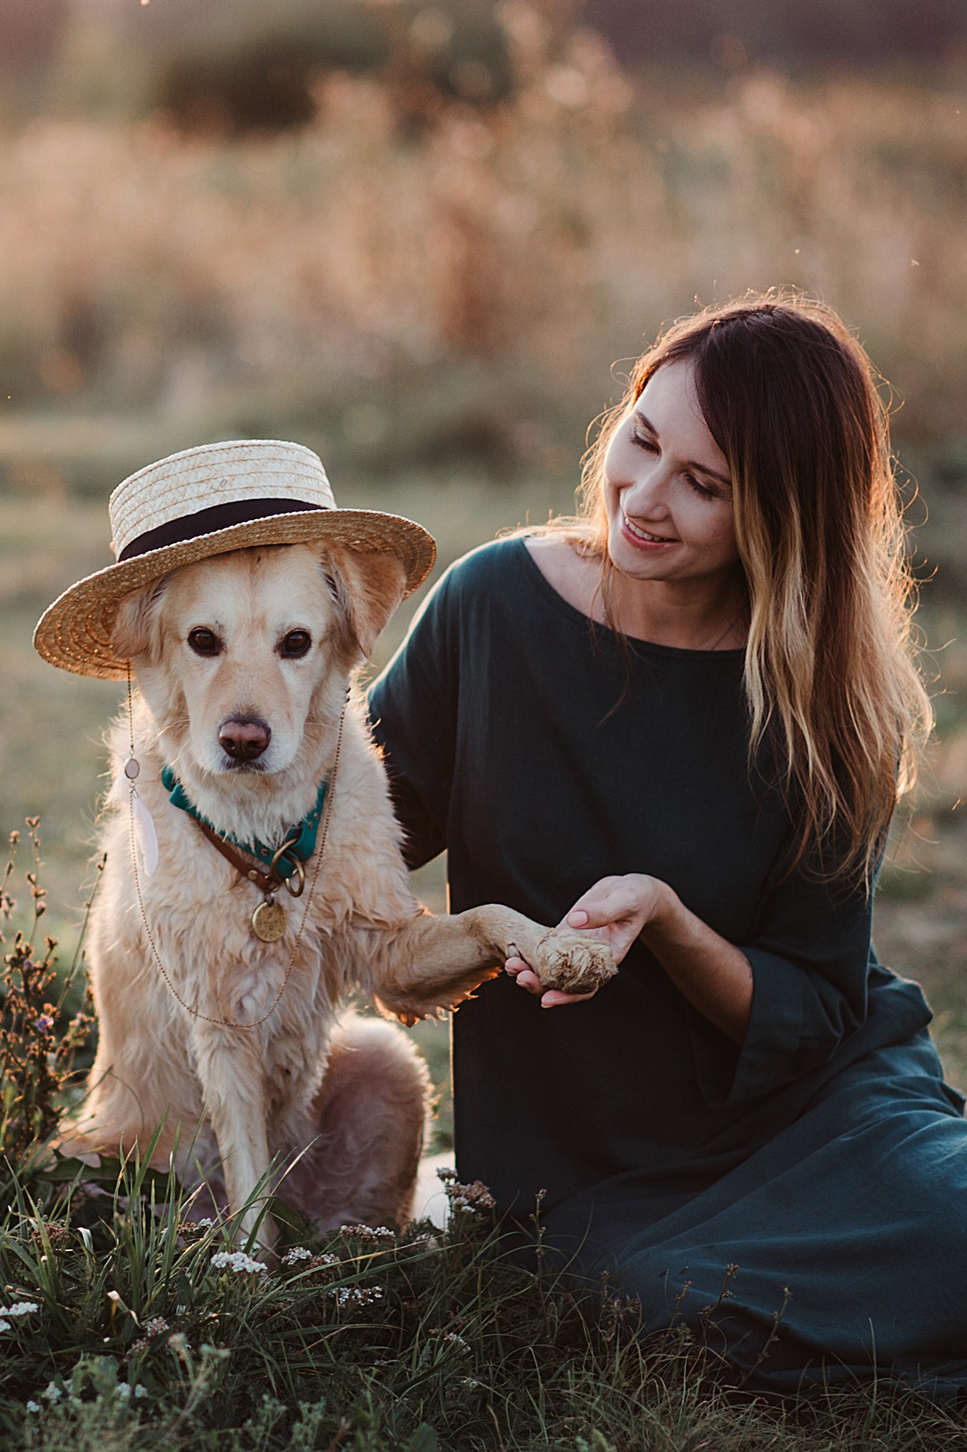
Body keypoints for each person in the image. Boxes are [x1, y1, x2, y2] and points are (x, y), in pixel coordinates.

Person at [368, 295, 967, 1400]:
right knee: (646, 1300)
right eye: (643, 442)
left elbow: (813, 1013)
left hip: (820, 1117)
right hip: (582, 1160)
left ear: (784, 519)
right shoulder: (494, 606)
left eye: (706, 486)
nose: (644, 500)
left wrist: (667, 919)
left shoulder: (826, 703)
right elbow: (352, 835)